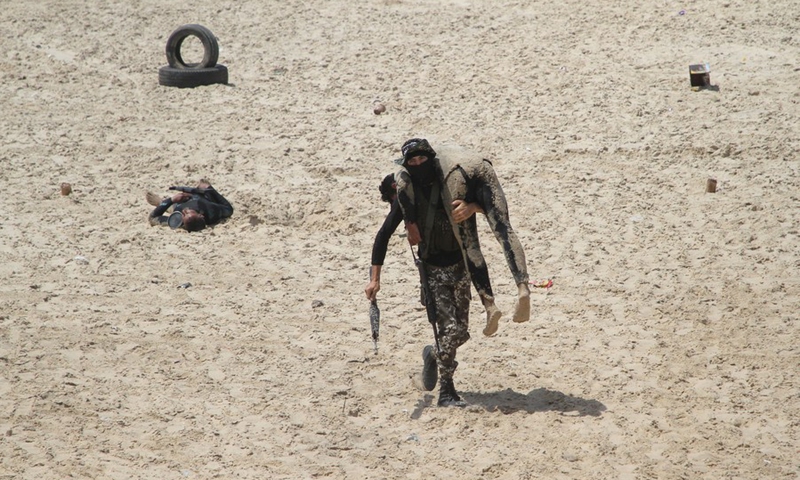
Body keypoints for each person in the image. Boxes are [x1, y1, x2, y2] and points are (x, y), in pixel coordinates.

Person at [395, 138, 531, 335]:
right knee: (503, 229)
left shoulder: (404, 173)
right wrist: (474, 206)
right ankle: (523, 288)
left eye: (420, 159)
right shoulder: (446, 151)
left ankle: (490, 306)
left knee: (469, 245)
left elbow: (402, 192)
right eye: (413, 161)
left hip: (456, 175)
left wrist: (409, 222)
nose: (417, 165)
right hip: (482, 166)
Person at [364, 172, 501, 337]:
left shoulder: (419, 190)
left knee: (461, 332)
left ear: (395, 188)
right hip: (433, 268)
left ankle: (434, 356)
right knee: (450, 332)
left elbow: (490, 204)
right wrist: (375, 280)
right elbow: (383, 235)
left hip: (459, 263)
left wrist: (471, 208)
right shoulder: (411, 195)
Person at [146, 180, 233, 232]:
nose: (185, 211)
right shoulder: (211, 212)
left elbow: (152, 218)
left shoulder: (177, 221)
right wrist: (211, 189)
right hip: (204, 197)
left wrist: (171, 200)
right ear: (200, 215)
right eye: (189, 212)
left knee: (173, 208)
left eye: (184, 214)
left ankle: (162, 202)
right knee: (205, 185)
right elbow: (228, 209)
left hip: (178, 204)